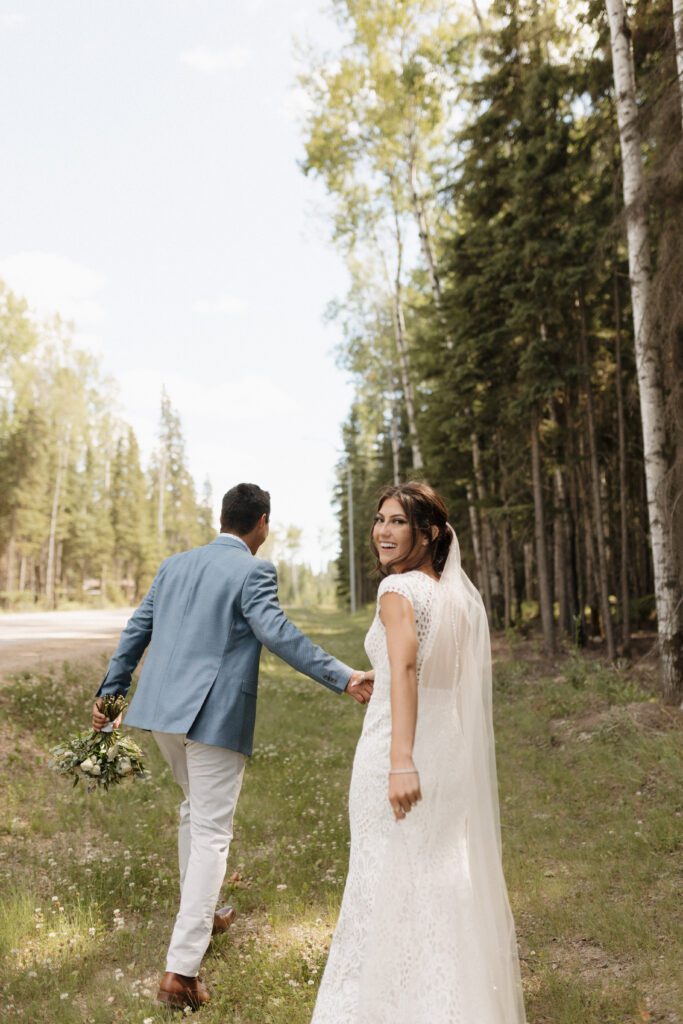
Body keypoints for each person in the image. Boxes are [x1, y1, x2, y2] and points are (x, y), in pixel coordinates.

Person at [91, 482, 372, 1012]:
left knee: (194, 812)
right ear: (261, 523)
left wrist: (110, 694)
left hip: (160, 717)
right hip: (211, 717)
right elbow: (279, 633)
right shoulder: (254, 570)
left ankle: (207, 910)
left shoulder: (175, 564)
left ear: (224, 519)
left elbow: (138, 629)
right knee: (213, 833)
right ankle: (181, 972)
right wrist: (343, 675)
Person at [311, 481, 527, 1024]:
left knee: (381, 881)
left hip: (398, 752)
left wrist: (400, 760)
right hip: (447, 750)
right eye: (379, 520)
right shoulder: (456, 596)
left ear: (428, 533)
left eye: (397, 522)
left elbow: (408, 668)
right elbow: (434, 673)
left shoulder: (399, 591)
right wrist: (376, 672)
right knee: (437, 884)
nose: (383, 531)